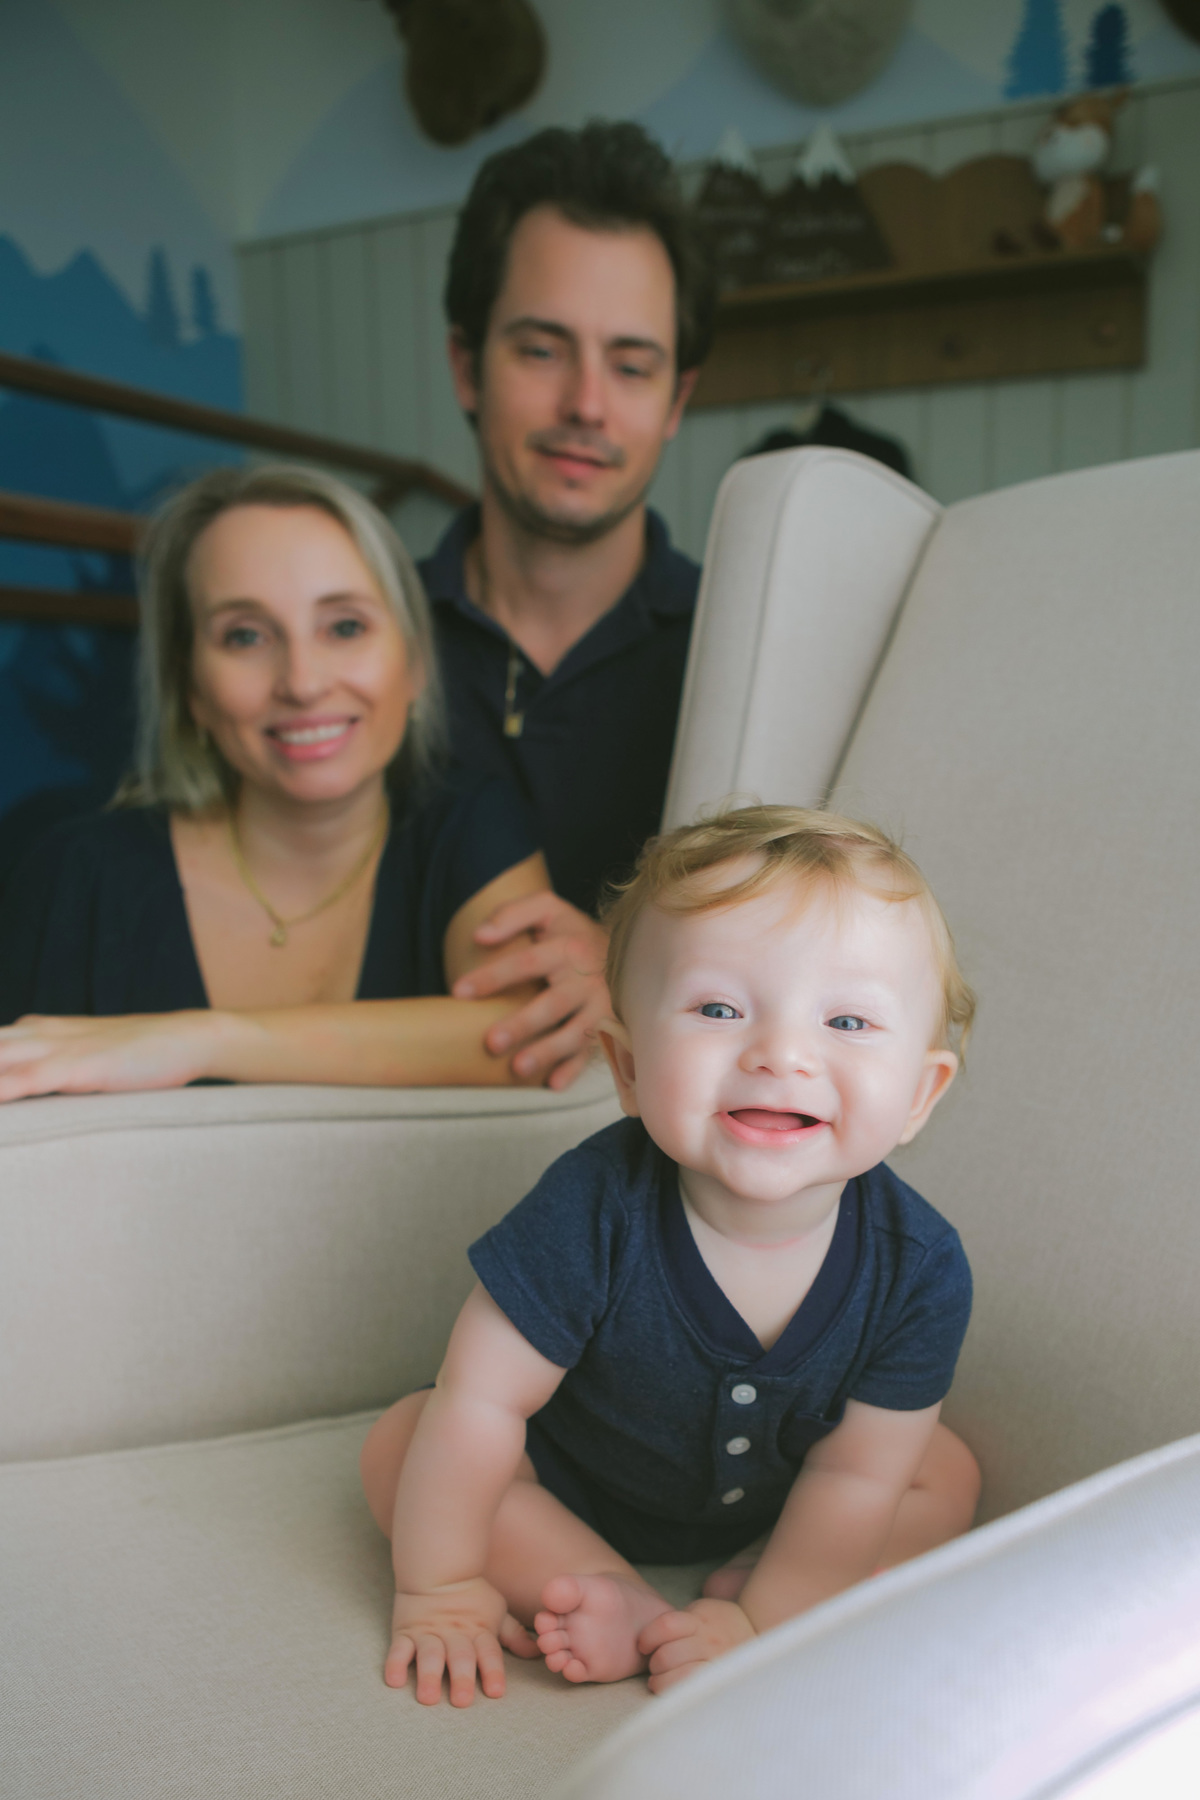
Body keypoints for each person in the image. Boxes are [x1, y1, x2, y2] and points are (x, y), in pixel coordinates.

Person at [360, 805, 982, 1707]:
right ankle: (630, 1604)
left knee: (942, 1470)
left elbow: (856, 1473)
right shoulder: (591, 1207)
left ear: (921, 1094)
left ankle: (763, 1594)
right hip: (577, 1490)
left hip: (788, 1496)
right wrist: (441, 1585)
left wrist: (766, 1614)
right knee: (405, 1441)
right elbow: (482, 1402)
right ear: (628, 1065)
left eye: (848, 1020)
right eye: (720, 1009)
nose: (781, 1054)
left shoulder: (920, 1268)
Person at [0, 466, 609, 1100]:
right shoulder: (71, 876)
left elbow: (520, 1040)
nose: (302, 681)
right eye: (246, 635)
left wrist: (194, 1042)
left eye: (344, 626)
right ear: (192, 690)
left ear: (415, 661)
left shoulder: (470, 823)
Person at [416, 122, 716, 1034]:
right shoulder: (357, 651)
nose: (586, 403)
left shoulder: (744, 647)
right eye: (542, 351)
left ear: (676, 401)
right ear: (468, 367)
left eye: (630, 366)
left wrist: (629, 958)